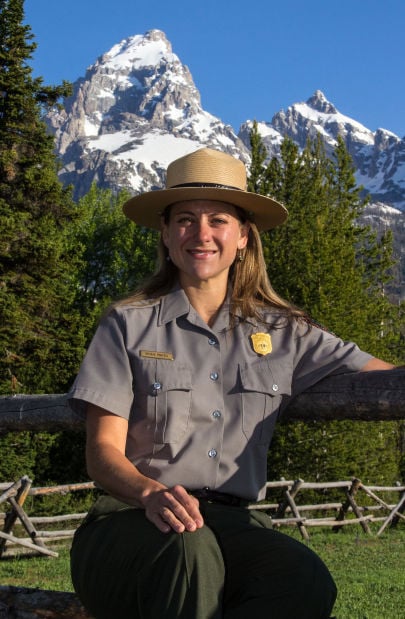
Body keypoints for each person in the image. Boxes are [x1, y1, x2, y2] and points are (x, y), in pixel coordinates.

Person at [68, 148, 396, 619]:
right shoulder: (126, 324)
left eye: (218, 220)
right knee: (189, 549)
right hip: (130, 519)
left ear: (243, 235)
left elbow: (384, 376)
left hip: (235, 523)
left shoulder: (286, 332)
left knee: (301, 577)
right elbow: (102, 455)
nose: (201, 235)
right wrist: (150, 493)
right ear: (164, 233)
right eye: (184, 220)